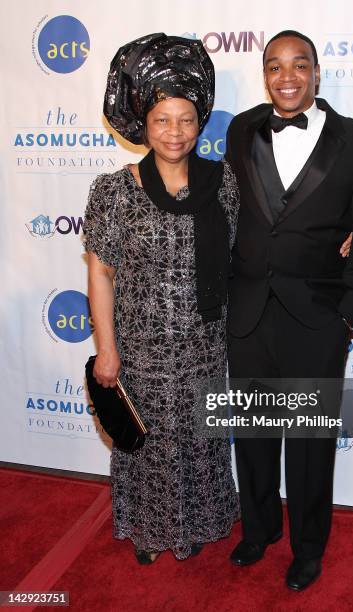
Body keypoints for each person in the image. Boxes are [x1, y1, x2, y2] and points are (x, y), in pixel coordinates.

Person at [225, 30, 353, 590]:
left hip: (317, 317)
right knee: (252, 433)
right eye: (274, 66)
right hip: (247, 312)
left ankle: (308, 546)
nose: (286, 76)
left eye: (298, 65)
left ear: (316, 72)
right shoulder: (240, 128)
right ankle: (259, 527)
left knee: (311, 444)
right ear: (264, 74)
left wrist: (349, 316)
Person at [83, 34, 239, 564]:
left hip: (204, 348)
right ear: (144, 126)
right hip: (141, 352)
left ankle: (196, 524)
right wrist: (107, 349)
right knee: (147, 446)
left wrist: (339, 234)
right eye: (163, 120)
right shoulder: (113, 191)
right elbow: (101, 275)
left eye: (186, 119)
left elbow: (259, 246)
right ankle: (149, 531)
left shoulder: (224, 185)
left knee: (199, 444)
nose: (175, 132)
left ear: (201, 123)